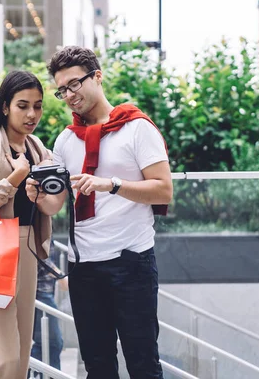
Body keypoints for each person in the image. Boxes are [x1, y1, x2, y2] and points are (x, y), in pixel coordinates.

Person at [25, 46, 173, 378]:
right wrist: (37, 196)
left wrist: (112, 184)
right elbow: (57, 203)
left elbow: (163, 189)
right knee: (97, 367)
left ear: (97, 77)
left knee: (143, 364)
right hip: (84, 268)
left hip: (131, 262)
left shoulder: (136, 128)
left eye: (74, 84)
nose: (69, 95)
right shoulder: (65, 140)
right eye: (62, 90)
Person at [0, 70, 53, 379]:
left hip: (27, 248)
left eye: (38, 106)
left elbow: (52, 203)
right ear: (5, 107)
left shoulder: (37, 148)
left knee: (19, 355)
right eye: (23, 105)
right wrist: (15, 177)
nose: (32, 114)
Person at [30, 242, 67, 378]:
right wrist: (59, 275)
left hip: (43, 291)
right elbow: (37, 252)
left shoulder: (45, 222)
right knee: (53, 342)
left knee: (46, 343)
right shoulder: (39, 220)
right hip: (39, 292)